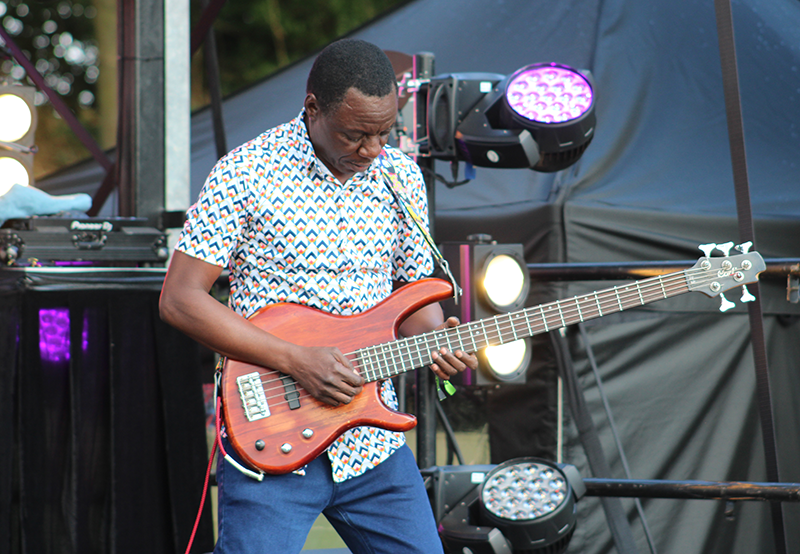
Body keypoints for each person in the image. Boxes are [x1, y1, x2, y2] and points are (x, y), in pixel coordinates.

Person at [159, 38, 478, 554]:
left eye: (383, 133)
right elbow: (179, 299)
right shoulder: (245, 172)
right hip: (273, 432)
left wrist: (438, 338)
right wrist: (297, 360)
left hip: (372, 445)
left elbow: (413, 296)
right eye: (355, 134)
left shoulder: (399, 176)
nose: (371, 150)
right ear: (312, 109)